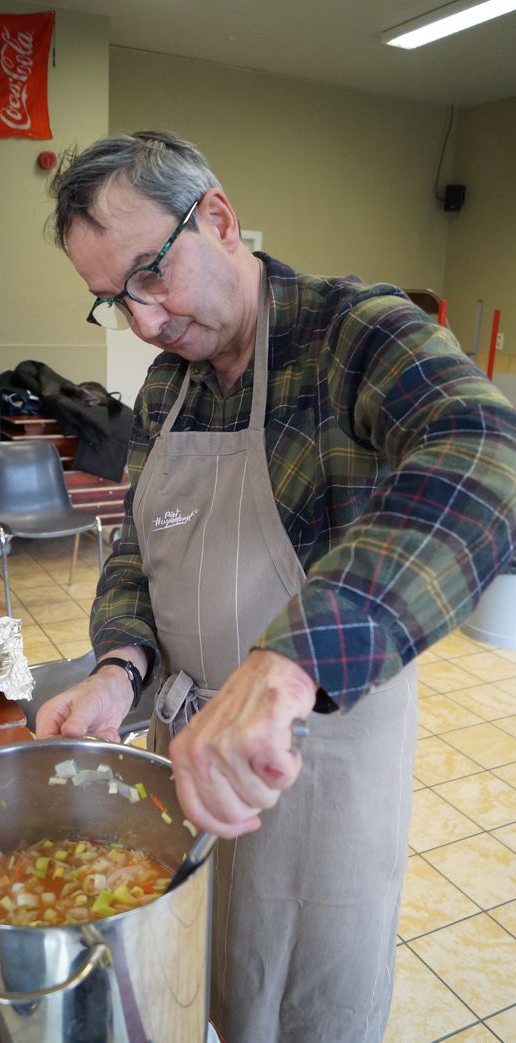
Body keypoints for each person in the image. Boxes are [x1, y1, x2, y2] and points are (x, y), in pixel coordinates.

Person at [36, 130, 516, 1042]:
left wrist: (292, 659)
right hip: (184, 753)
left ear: (216, 217)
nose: (142, 321)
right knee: (200, 983)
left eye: (150, 274)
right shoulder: (169, 386)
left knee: (302, 1008)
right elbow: (138, 548)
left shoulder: (353, 334)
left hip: (317, 773)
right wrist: (115, 667)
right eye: (112, 300)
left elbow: (487, 453)